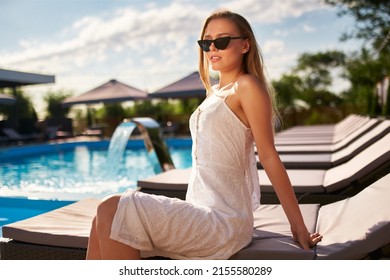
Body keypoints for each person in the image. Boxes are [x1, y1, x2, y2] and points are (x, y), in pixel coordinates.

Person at [86, 10, 322, 260]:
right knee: (100, 219)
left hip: (223, 222)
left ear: (245, 45)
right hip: (198, 210)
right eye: (206, 42)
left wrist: (297, 226)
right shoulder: (215, 93)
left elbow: (269, 156)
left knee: (112, 208)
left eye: (221, 40)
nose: (212, 48)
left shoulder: (247, 86)